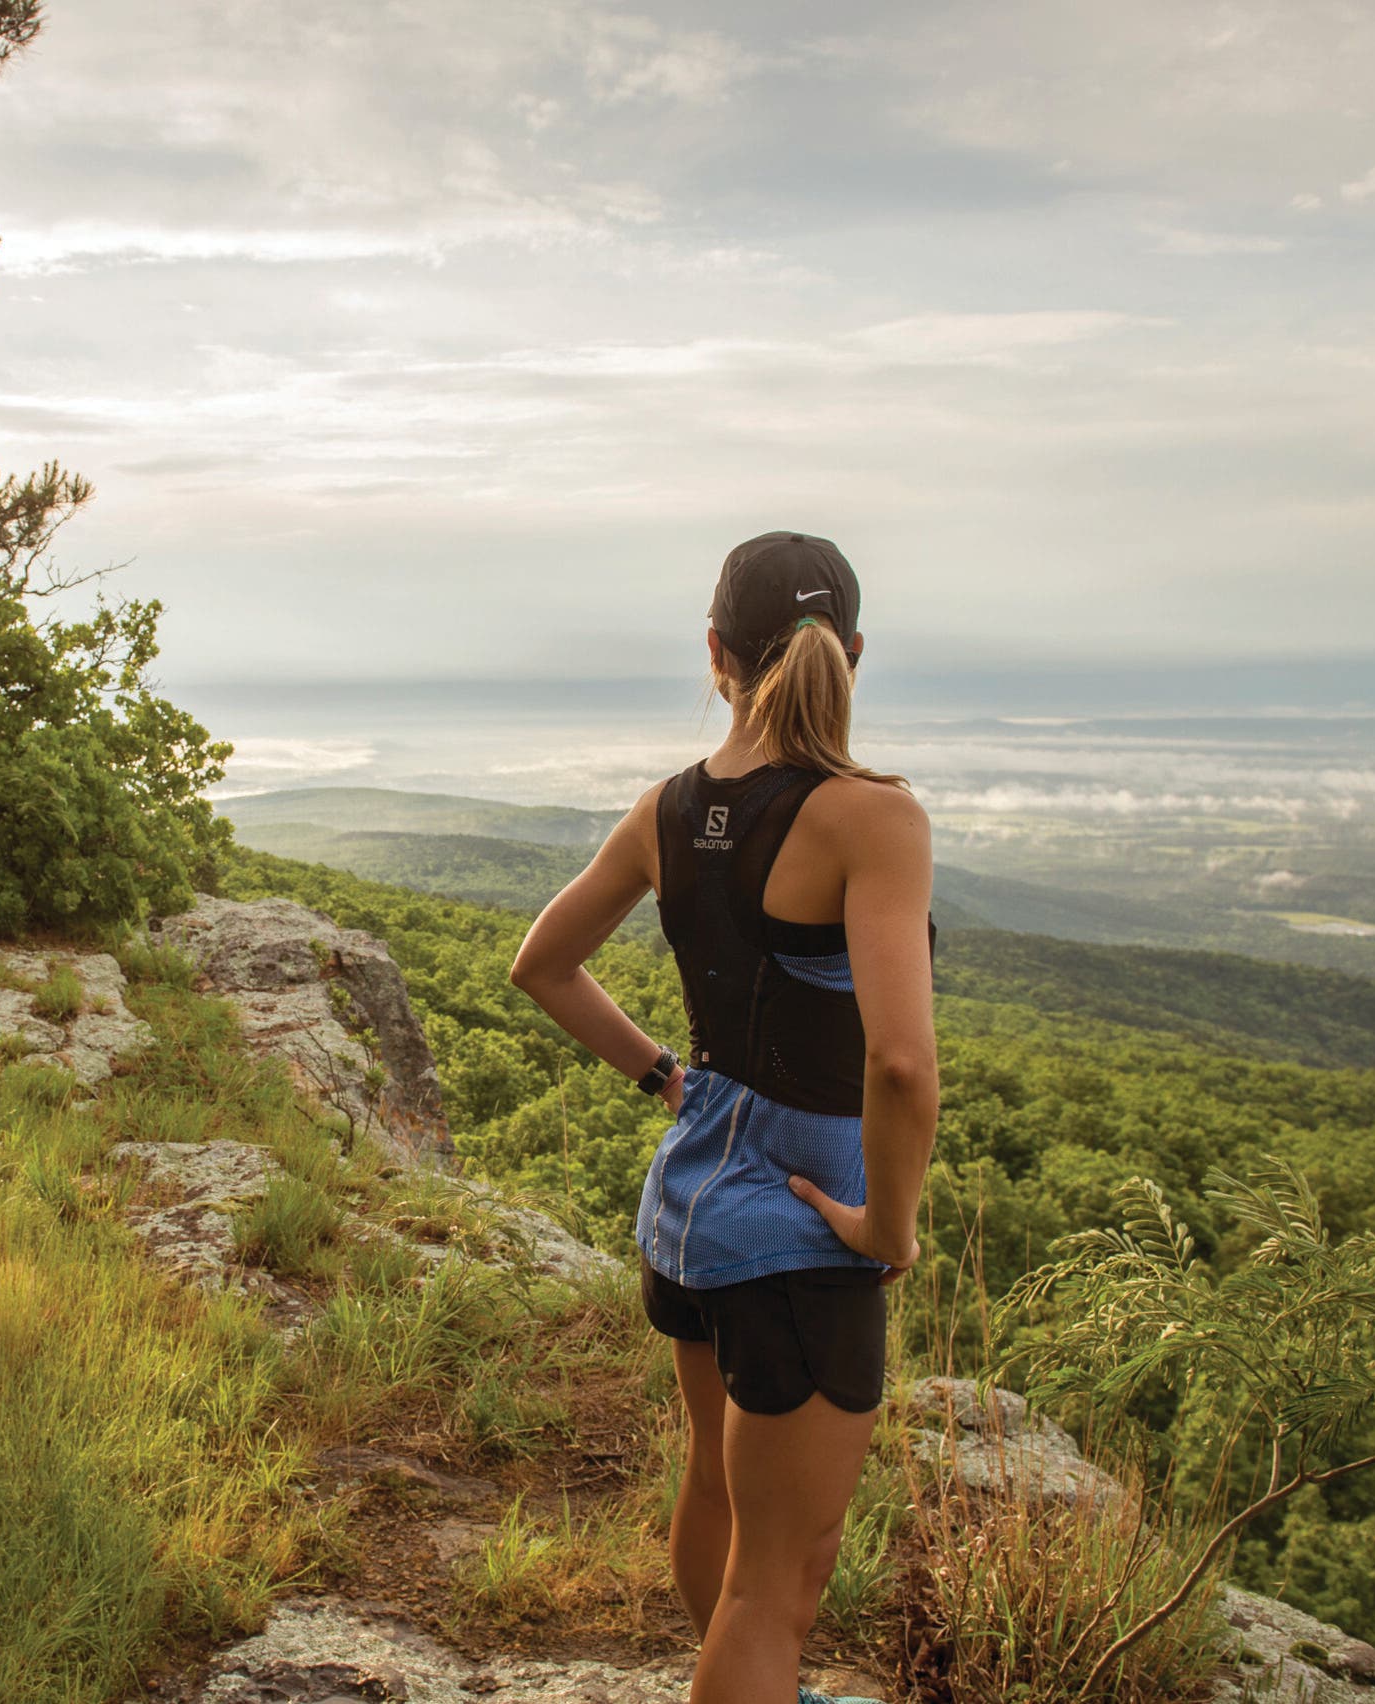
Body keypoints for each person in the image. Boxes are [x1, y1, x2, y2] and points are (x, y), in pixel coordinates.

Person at [509, 532, 938, 1704]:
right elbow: (900, 1067)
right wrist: (884, 1230)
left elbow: (541, 966)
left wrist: (665, 1081)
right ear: (852, 655)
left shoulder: (666, 809)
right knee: (779, 1582)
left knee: (714, 1488)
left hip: (690, 1210)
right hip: (802, 1233)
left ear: (714, 654)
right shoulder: (870, 818)